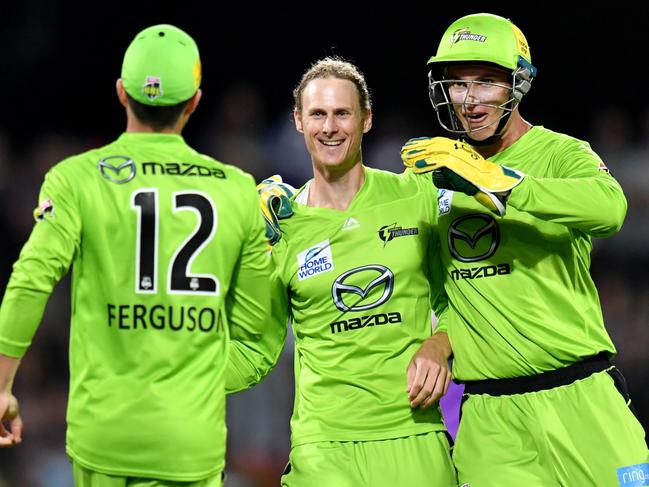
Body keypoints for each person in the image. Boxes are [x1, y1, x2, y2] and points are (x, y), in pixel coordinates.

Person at [0, 24, 271, 486]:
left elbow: (31, 279)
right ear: (194, 102)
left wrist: (3, 384)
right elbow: (260, 332)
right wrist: (195, 377)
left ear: (122, 93)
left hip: (105, 435)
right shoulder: (238, 190)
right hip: (190, 441)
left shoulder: (76, 178)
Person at [400, 12, 649, 486]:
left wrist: (501, 184)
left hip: (582, 399)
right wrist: (439, 340)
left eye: (486, 82)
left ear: (518, 85)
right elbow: (445, 293)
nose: (469, 100)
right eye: (457, 83)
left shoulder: (561, 153)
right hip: (491, 424)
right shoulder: (432, 176)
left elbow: (610, 209)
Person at [228, 57, 458, 486]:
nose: (329, 127)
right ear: (298, 121)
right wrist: (174, 367)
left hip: (412, 433)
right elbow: (255, 352)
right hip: (323, 449)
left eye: (342, 113)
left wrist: (441, 344)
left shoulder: (415, 197)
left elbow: (463, 298)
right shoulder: (281, 226)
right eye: (317, 114)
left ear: (366, 119)